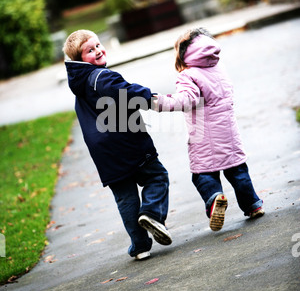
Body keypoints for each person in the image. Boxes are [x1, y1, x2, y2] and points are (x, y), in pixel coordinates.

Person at [62, 29, 172, 260]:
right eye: (90, 50)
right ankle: (152, 213)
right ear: (80, 59)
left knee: (125, 197)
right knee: (157, 177)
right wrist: (152, 98)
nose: (98, 50)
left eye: (98, 45)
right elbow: (126, 92)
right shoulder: (101, 77)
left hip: (104, 153)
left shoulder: (80, 85)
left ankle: (140, 246)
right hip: (127, 142)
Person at [153, 27, 264, 232]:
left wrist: (158, 102)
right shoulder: (218, 68)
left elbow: (187, 100)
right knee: (238, 170)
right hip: (229, 133)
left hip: (204, 137)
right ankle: (253, 205)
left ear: (183, 54)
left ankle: (214, 199)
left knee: (203, 174)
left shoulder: (189, 75)